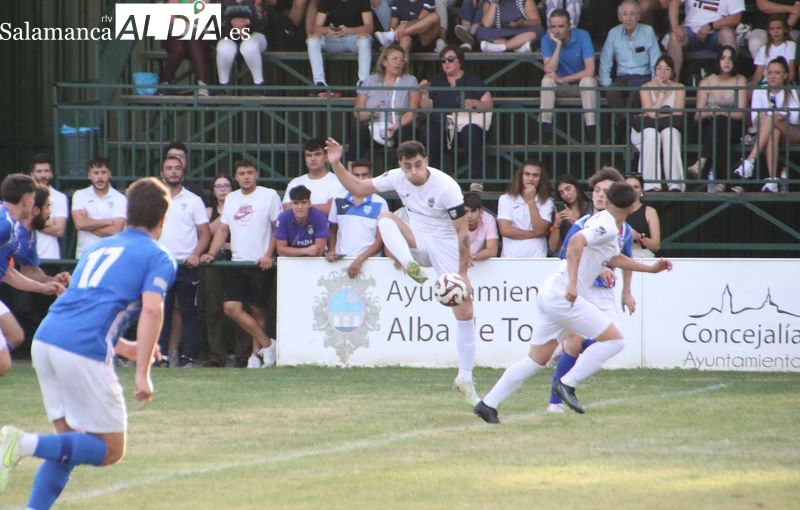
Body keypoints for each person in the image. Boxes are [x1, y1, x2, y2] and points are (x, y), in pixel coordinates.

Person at [0, 178, 176, 507]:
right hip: (80, 350)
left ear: (127, 213)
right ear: (163, 220)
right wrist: (142, 373)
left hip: (47, 339)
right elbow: (153, 308)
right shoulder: (158, 255)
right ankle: (21, 443)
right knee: (110, 449)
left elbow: (85, 305)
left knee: (69, 444)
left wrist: (125, 347)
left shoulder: (98, 248)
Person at [474, 182, 673, 423]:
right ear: (633, 206)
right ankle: (567, 383)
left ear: (608, 201)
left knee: (536, 360)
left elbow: (614, 257)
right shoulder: (607, 226)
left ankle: (488, 404)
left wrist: (650, 269)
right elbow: (577, 242)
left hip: (551, 293)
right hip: (563, 296)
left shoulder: (608, 224)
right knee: (615, 341)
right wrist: (572, 283)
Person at [325, 137, 481, 406]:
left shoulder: (447, 187)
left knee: (466, 313)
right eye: (407, 166)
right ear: (400, 165)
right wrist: (336, 163)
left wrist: (462, 275)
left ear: (426, 161)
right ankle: (409, 263)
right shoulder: (397, 178)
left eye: (418, 165)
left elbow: (462, 233)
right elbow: (359, 187)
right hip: (418, 240)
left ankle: (465, 378)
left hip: (446, 244)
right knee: (385, 218)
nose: (413, 173)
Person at [545, 167, 634, 413]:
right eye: (596, 191)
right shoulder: (584, 224)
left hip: (605, 293)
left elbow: (625, 259)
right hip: (585, 289)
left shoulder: (624, 229)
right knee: (578, 343)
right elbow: (567, 253)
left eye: (606, 192)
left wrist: (627, 291)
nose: (600, 196)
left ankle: (563, 357)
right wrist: (598, 267)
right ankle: (555, 402)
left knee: (610, 342)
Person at [200, 159, 281, 368]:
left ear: (256, 175)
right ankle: (267, 344)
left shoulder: (269, 195)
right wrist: (211, 252)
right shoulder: (232, 198)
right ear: (236, 177)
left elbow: (277, 229)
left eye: (250, 172)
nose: (246, 177)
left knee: (257, 311)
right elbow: (223, 230)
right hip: (236, 263)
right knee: (230, 307)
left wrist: (268, 255)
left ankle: (256, 357)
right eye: (242, 173)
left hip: (259, 263)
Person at [0, 176, 66, 375]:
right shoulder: (6, 225)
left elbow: (8, 273)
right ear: (28, 200)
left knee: (14, 339)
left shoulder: (10, 224)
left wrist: (45, 286)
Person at [157, 156, 211, 368]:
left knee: (189, 312)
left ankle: (188, 356)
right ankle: (160, 356)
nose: (173, 172)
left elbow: (204, 234)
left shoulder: (194, 200)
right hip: (161, 265)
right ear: (162, 173)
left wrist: (196, 254)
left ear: (183, 172)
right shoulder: (154, 198)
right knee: (161, 313)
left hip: (187, 266)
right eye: (168, 168)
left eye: (177, 168)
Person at [420, 45, 493, 177]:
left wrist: (475, 103)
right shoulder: (437, 81)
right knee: (428, 129)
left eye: (450, 59)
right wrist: (424, 93)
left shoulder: (472, 80)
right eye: (443, 60)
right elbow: (426, 109)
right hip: (443, 129)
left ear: (460, 61)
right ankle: (432, 177)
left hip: (464, 130)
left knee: (470, 130)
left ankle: (476, 180)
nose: (446, 63)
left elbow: (489, 104)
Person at [731, 57, 800, 192]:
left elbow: (796, 117)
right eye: (770, 72)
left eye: (777, 73)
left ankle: (749, 161)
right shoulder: (760, 90)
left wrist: (778, 116)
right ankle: (772, 180)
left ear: (785, 75)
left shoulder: (792, 91)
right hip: (769, 132)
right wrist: (772, 116)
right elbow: (755, 119)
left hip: (793, 132)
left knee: (771, 119)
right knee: (774, 131)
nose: (773, 76)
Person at [598, 0, 662, 141]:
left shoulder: (647, 31)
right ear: (620, 17)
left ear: (639, 16)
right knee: (611, 90)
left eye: (633, 14)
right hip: (622, 77)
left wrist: (655, 83)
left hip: (642, 77)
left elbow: (655, 59)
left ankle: (621, 130)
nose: (629, 18)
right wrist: (606, 83)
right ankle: (626, 125)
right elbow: (605, 61)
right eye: (625, 14)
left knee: (636, 89)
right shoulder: (613, 33)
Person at [202, 175, 248, 368]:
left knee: (240, 307)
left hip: (237, 260)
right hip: (215, 261)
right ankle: (217, 355)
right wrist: (226, 215)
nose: (222, 189)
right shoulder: (208, 211)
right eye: (218, 186)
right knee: (214, 308)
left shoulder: (243, 207)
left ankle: (243, 355)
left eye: (226, 185)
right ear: (212, 191)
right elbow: (207, 233)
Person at [348, 44, 421, 162]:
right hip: (375, 129)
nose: (398, 63)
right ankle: (353, 172)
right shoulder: (370, 80)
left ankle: (405, 174)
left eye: (401, 60)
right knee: (359, 130)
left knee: (404, 132)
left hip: (399, 128)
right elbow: (357, 112)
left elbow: (412, 111)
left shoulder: (410, 80)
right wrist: (370, 113)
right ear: (384, 62)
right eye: (394, 59)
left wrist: (396, 126)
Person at [689, 45, 748, 191]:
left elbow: (741, 113)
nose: (726, 62)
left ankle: (702, 161)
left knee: (721, 121)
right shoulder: (706, 82)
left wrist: (721, 112)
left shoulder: (740, 80)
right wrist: (710, 112)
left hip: (734, 126)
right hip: (710, 127)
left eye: (730, 59)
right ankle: (722, 181)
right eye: (723, 58)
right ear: (718, 61)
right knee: (719, 125)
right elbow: (697, 116)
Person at [539, 9, 598, 142]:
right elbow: (549, 69)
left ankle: (591, 128)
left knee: (588, 81)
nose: (557, 30)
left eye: (561, 26)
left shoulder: (583, 36)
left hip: (580, 85)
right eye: (553, 27)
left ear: (569, 26)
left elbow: (590, 70)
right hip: (560, 87)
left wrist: (562, 79)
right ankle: (545, 127)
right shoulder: (546, 39)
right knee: (546, 80)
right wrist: (558, 45)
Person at [325, 160, 388, 278]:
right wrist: (332, 250)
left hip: (371, 263)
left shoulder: (380, 202)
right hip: (341, 261)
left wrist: (361, 259)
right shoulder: (338, 200)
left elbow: (381, 239)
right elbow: (332, 228)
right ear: (350, 176)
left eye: (364, 175)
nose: (360, 179)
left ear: (371, 176)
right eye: (356, 175)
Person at [634, 54, 687, 192]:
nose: (662, 72)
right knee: (652, 135)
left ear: (672, 72)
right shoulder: (645, 87)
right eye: (659, 68)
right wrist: (662, 93)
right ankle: (650, 184)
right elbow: (651, 114)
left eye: (667, 69)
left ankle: (675, 184)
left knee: (670, 133)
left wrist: (657, 113)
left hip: (668, 127)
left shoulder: (679, 87)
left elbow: (677, 114)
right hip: (645, 129)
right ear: (655, 70)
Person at [306, 0, 373, 93]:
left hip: (353, 39)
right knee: (312, 39)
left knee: (364, 39)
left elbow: (369, 27)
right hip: (332, 39)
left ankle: (363, 82)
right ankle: (319, 82)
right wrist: (327, 30)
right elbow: (316, 28)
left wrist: (349, 30)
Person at [666, 0, 743, 81]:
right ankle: (672, 83)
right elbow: (674, 2)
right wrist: (675, 27)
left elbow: (736, 17)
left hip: (716, 33)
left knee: (728, 35)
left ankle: (729, 82)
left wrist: (710, 26)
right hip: (690, 32)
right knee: (674, 37)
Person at [71, 157, 127, 258]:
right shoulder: (80, 195)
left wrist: (88, 224)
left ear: (109, 174)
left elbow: (116, 230)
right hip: (85, 256)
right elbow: (79, 224)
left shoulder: (120, 198)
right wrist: (107, 221)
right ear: (89, 176)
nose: (100, 177)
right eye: (96, 173)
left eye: (103, 172)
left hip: (110, 256)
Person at [497, 161, 554, 258]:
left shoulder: (547, 201)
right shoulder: (505, 199)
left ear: (541, 179)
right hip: (510, 257)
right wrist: (534, 234)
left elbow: (540, 230)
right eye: (527, 174)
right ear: (520, 176)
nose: (531, 179)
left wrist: (531, 202)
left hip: (537, 257)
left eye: (535, 175)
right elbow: (505, 230)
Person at [283, 138, 347, 216]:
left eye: (317, 154)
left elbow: (331, 208)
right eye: (309, 155)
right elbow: (286, 207)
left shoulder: (337, 181)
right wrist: (319, 207)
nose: (313, 159)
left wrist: (299, 207)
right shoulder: (295, 182)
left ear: (326, 157)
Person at [159, 0, 210, 96]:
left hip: (196, 35)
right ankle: (164, 83)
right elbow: (172, 18)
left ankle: (202, 85)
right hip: (174, 32)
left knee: (193, 40)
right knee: (179, 48)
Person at [216, 0, 269, 91]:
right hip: (229, 35)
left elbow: (262, 23)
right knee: (223, 47)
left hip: (256, 35)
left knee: (249, 46)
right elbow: (216, 22)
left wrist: (246, 22)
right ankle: (223, 86)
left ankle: (259, 85)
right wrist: (233, 24)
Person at [28, 154, 68, 261]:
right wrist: (48, 223)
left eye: (46, 171)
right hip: (27, 257)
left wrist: (32, 222)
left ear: (51, 174)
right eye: (39, 171)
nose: (43, 175)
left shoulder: (60, 197)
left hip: (51, 257)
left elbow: (59, 230)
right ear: (31, 174)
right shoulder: (25, 197)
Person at [275, 185, 330, 256]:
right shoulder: (283, 218)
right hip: (290, 262)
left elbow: (318, 252)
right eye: (296, 203)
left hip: (314, 262)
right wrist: (305, 251)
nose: (300, 207)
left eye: (303, 202)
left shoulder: (319, 217)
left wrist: (291, 251)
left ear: (309, 204)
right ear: (291, 204)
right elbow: (281, 251)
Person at [476, 0, 544, 53]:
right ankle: (517, 47)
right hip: (500, 33)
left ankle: (500, 47)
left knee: (539, 30)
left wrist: (522, 23)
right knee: (481, 32)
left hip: (520, 32)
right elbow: (487, 24)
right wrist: (494, 3)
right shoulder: (490, 1)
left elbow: (537, 21)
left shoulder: (525, 0)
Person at [748, 15, 797, 88]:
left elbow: (791, 69)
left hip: (785, 83)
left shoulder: (791, 45)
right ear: (769, 31)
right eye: (772, 29)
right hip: (766, 84)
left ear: (785, 30)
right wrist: (752, 85)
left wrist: (787, 85)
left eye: (779, 28)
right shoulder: (763, 49)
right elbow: (759, 73)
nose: (776, 31)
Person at [373, 0, 441, 52]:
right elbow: (392, 26)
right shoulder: (398, 1)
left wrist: (404, 24)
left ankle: (393, 35)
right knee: (405, 39)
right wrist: (397, 29)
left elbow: (421, 21)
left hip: (423, 37)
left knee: (435, 16)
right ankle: (404, 70)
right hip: (405, 38)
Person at [547, 173, 590, 255]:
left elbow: (597, 234)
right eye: (561, 192)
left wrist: (576, 221)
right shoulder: (559, 212)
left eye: (568, 189)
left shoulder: (591, 208)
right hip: (567, 257)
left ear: (576, 187)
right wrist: (556, 225)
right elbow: (552, 247)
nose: (565, 194)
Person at [624, 173, 661, 256]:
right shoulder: (615, 210)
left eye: (636, 187)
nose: (632, 190)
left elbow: (656, 246)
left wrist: (638, 236)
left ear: (641, 191)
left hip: (641, 255)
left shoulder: (650, 212)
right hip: (618, 256)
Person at [464, 191, 498, 261]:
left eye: (473, 211)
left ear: (480, 211)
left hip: (479, 262)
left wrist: (472, 258)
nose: (469, 216)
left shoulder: (489, 219)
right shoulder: (455, 220)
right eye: (465, 212)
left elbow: (492, 250)